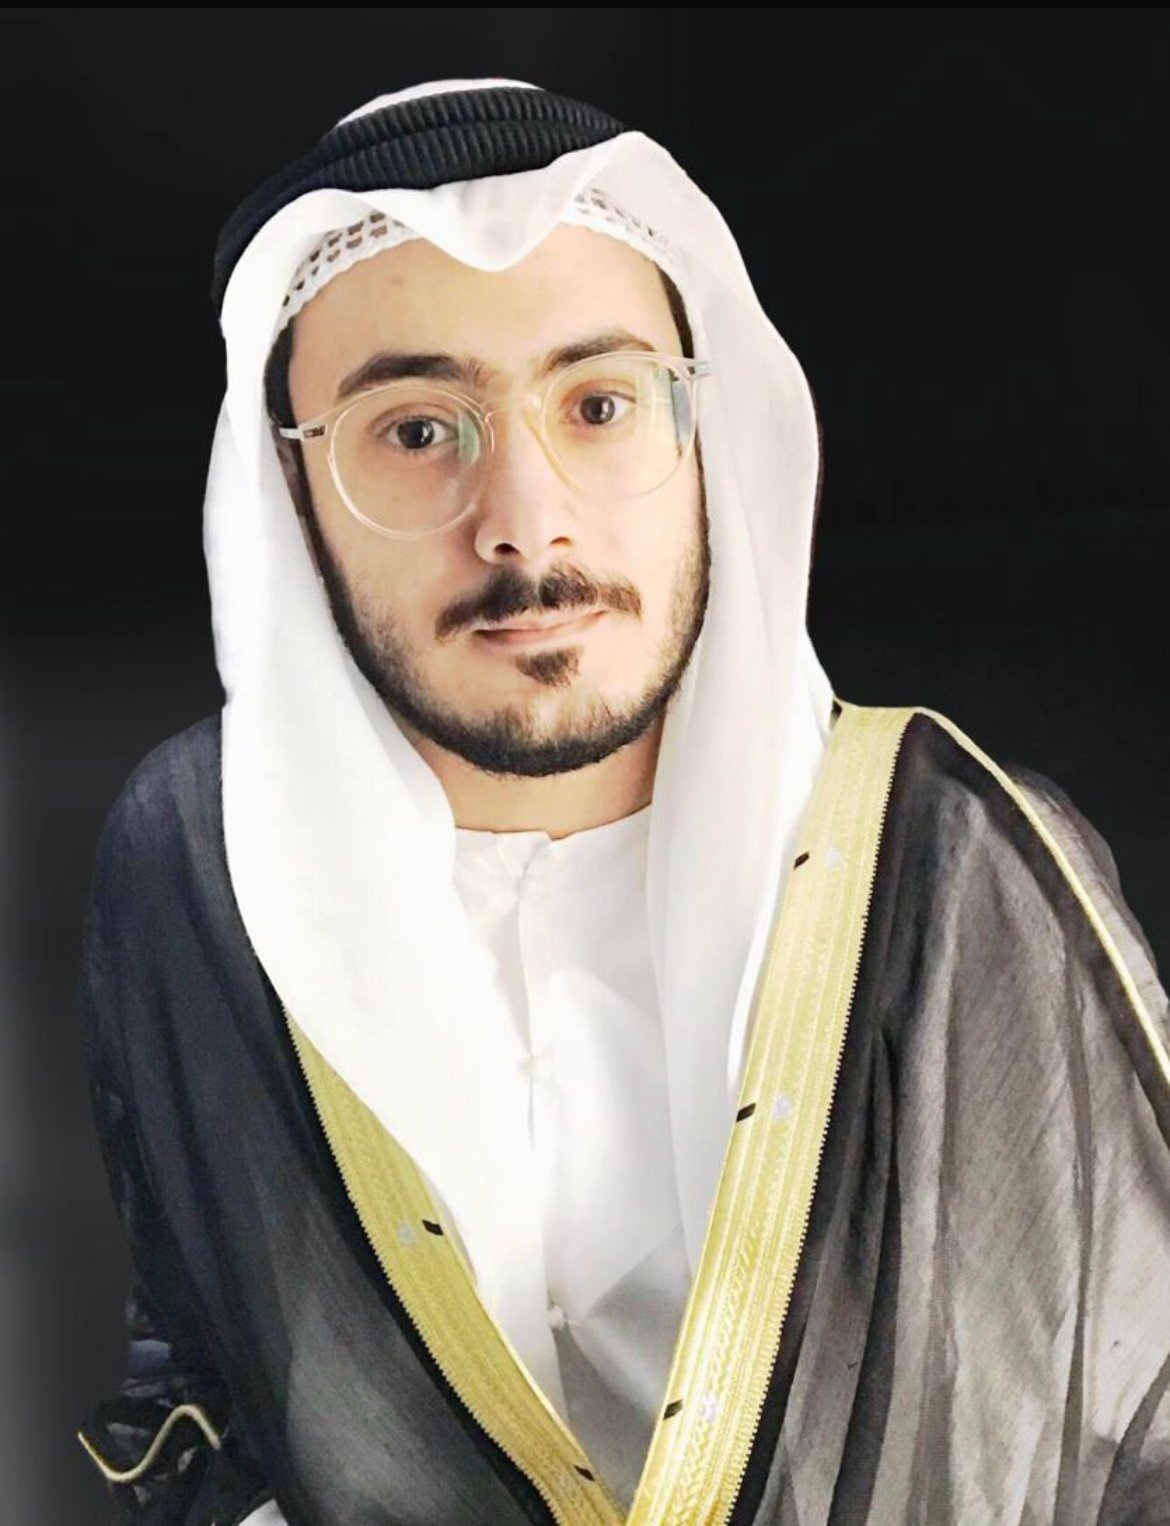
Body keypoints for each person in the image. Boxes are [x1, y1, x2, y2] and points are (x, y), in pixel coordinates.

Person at [74, 78, 1170, 1526]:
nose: (526, 522)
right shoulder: (196, 856)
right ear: (290, 494)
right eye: (416, 432)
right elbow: (199, 1373)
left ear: (703, 436)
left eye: (599, 405)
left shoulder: (967, 868)